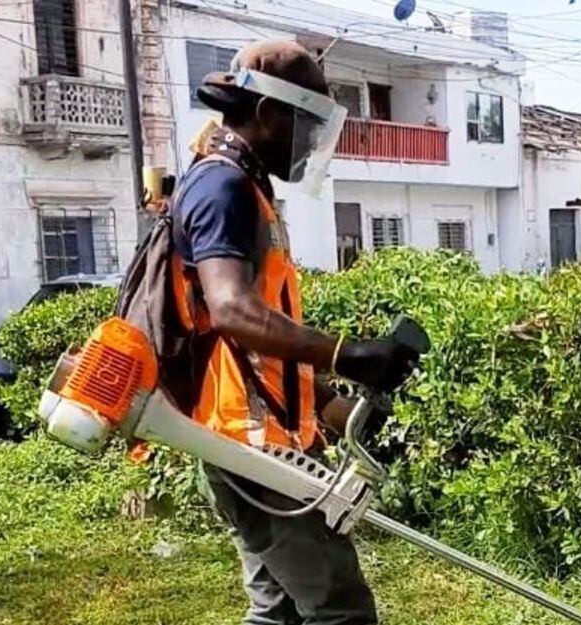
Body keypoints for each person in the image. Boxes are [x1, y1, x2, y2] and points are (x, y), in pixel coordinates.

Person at [169, 40, 419, 625]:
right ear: (267, 115)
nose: (309, 144)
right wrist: (345, 353)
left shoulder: (242, 185)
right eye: (305, 126)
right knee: (340, 609)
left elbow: (250, 343)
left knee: (277, 609)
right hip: (247, 441)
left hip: (257, 433)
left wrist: (329, 403)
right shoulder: (222, 186)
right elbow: (231, 312)